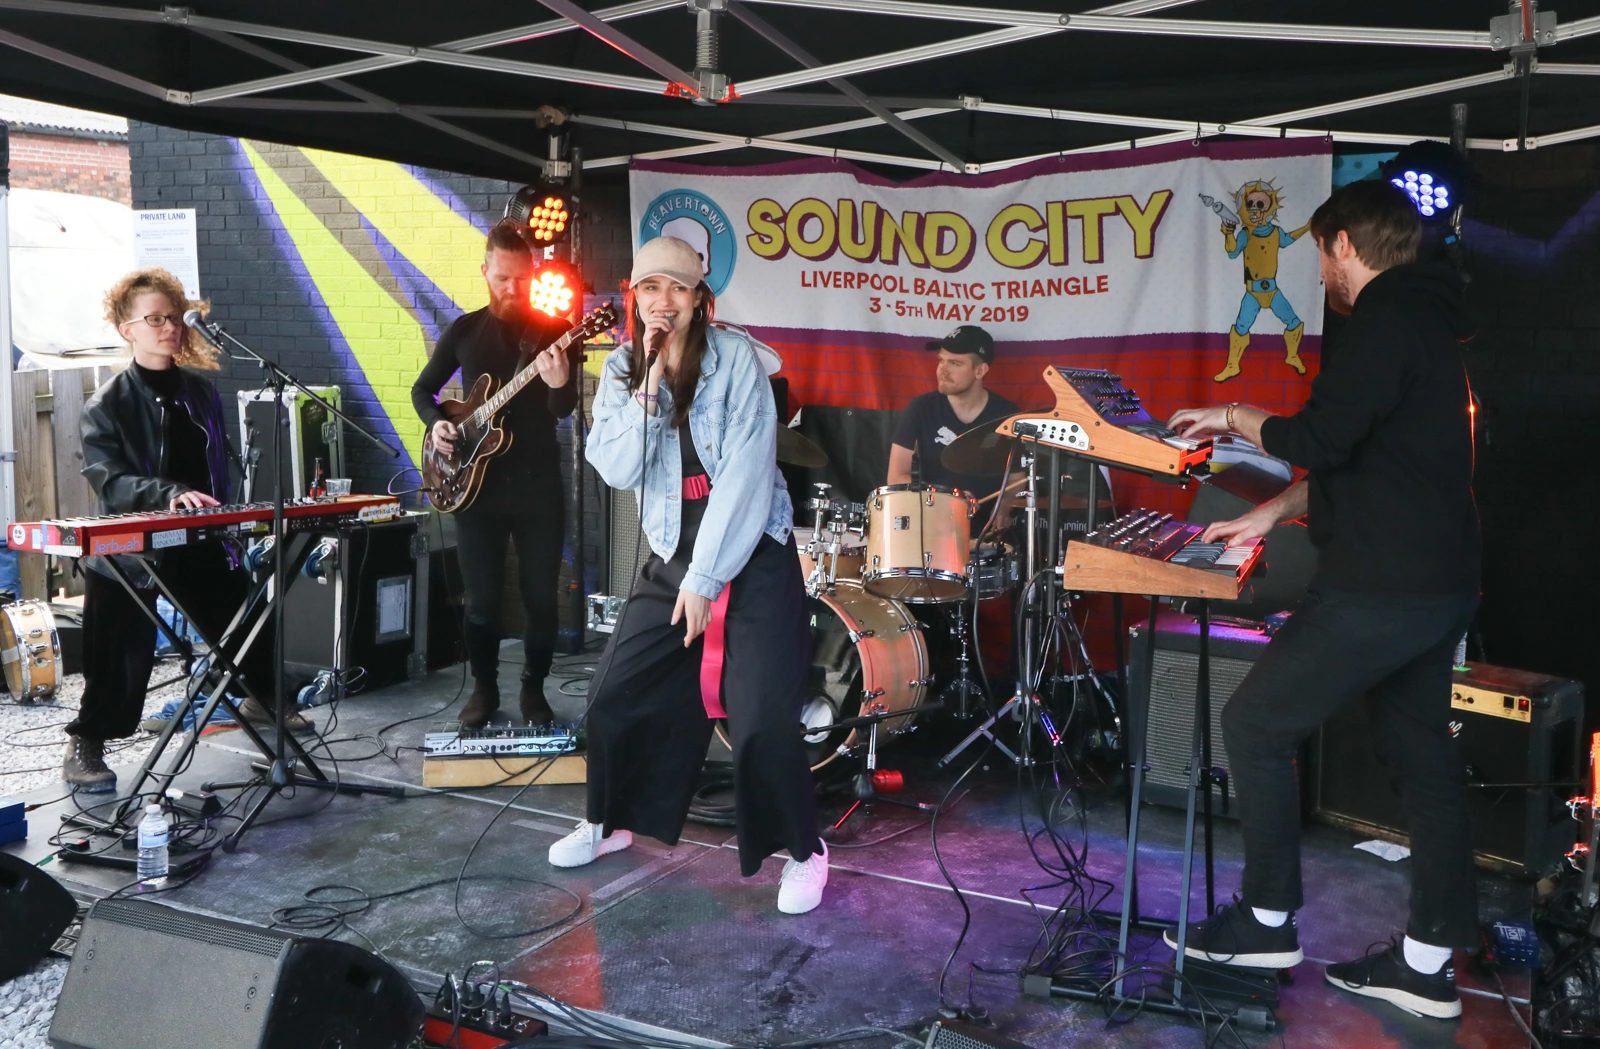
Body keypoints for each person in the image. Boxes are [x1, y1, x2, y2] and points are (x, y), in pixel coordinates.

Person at [1163, 180, 1481, 1020]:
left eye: (1319, 253)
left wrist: (1229, 412)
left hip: (1383, 584)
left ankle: (1266, 919)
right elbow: (1360, 460)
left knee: (1256, 724)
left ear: (1343, 245)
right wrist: (1262, 514)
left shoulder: (1383, 320)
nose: (1321, 273)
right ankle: (1426, 964)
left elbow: (1317, 438)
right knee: (1423, 761)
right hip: (1436, 582)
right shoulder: (1431, 320)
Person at [547, 235, 828, 915]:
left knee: (760, 719)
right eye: (650, 289)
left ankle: (805, 849)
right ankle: (611, 819)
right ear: (632, 299)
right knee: (612, 695)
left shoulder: (737, 365)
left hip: (751, 553)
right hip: (672, 551)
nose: (663, 301)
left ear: (700, 300)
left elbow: (746, 478)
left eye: (678, 288)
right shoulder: (621, 370)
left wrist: (706, 578)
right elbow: (613, 467)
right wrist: (646, 386)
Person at [67, 267, 298, 793]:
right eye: (154, 319)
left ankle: (262, 699)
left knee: (248, 616)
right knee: (116, 651)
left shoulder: (200, 394)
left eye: (173, 317)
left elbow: (218, 464)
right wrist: (168, 494)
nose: (168, 327)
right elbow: (110, 481)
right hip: (134, 552)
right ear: (127, 329)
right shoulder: (105, 406)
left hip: (200, 540)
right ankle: (87, 741)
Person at [412, 222, 578, 728]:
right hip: (472, 490)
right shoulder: (465, 330)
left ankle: (533, 689)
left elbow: (563, 408)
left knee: (540, 600)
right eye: (503, 278)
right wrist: (439, 423)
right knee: (481, 599)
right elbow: (424, 391)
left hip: (537, 488)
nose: (513, 289)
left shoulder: (554, 333)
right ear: (485, 272)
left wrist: (559, 383)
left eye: (522, 279)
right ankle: (483, 689)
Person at [887, 325, 1020, 500]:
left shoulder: (1008, 415)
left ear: (980, 370)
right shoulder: (921, 408)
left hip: (989, 523)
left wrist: (1005, 508)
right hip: (932, 519)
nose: (942, 369)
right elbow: (896, 477)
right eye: (941, 360)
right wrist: (948, 498)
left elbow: (1017, 478)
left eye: (954, 363)